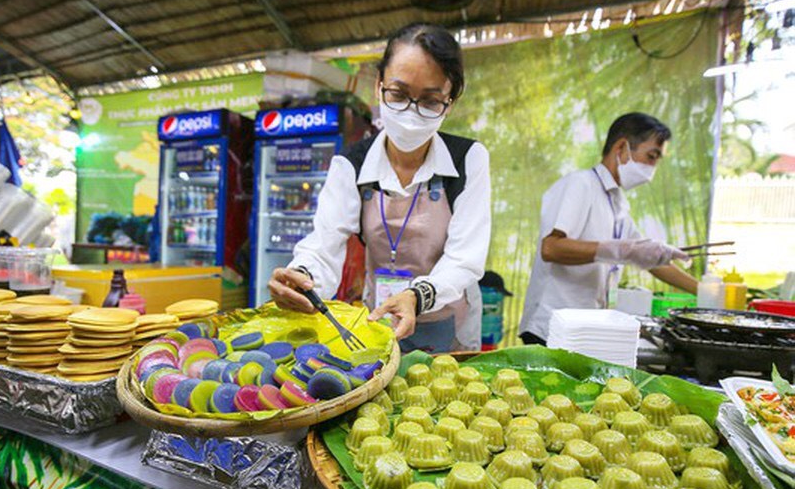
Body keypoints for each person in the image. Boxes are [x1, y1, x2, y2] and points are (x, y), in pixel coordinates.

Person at [267, 22, 491, 353]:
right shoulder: (351, 164)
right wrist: (301, 277)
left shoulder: (468, 159)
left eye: (430, 101)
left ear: (451, 100)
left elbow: (465, 258)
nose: (411, 114)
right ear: (379, 86)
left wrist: (417, 296)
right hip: (380, 320)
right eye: (398, 95)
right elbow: (324, 244)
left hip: (450, 320)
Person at [519, 113, 697, 345]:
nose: (652, 169)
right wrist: (617, 250)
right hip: (550, 328)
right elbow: (551, 248)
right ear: (622, 147)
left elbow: (648, 259)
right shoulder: (580, 184)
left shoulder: (617, 202)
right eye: (651, 156)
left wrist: (704, 291)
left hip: (583, 328)